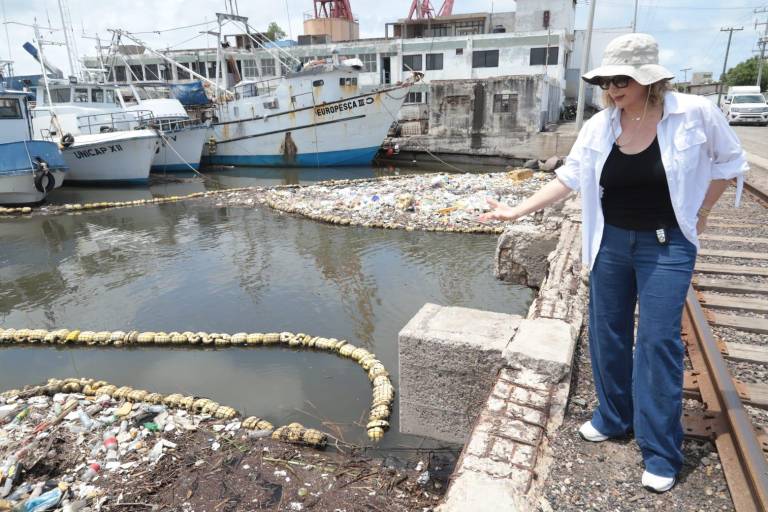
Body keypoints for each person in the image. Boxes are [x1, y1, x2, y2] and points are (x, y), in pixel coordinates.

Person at [479, 33, 747, 493]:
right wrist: (517, 210)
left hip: (667, 245)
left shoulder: (694, 114)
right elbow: (569, 178)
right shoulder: (602, 124)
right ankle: (613, 415)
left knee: (658, 342)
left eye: (622, 79)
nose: (613, 88)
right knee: (607, 333)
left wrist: (701, 212)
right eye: (607, 80)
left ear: (648, 79)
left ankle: (661, 450)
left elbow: (730, 163)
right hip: (611, 242)